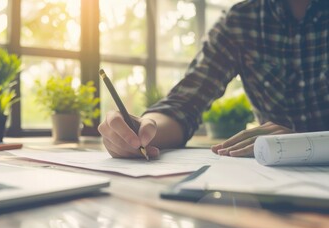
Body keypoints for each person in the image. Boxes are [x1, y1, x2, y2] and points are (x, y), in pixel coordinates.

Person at [98, 0, 329, 159]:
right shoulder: (241, 20)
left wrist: (309, 143)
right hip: (274, 185)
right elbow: (184, 103)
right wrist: (144, 130)